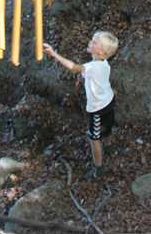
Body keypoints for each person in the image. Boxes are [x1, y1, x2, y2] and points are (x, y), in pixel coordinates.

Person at [43, 30, 119, 177]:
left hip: (98, 109)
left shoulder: (92, 67)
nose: (91, 42)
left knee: (93, 138)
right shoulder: (103, 64)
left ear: (102, 53)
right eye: (93, 39)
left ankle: (98, 167)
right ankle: (107, 142)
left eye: (95, 42)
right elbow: (89, 74)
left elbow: (73, 68)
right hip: (109, 101)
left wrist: (54, 54)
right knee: (107, 127)